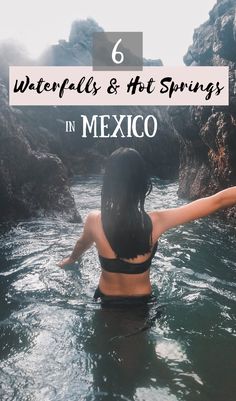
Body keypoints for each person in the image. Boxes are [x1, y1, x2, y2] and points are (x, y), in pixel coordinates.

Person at [57, 147, 236, 304]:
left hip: (105, 300)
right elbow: (217, 201)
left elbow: (81, 244)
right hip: (142, 305)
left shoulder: (93, 220)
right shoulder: (156, 222)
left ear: (109, 183)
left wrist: (70, 260)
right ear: (143, 184)